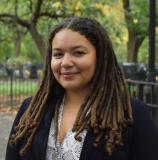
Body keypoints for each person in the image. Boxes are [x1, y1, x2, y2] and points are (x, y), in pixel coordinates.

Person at [5, 16, 158, 160]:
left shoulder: (131, 114)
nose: (65, 62)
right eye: (58, 54)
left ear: (100, 57)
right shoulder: (30, 110)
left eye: (78, 53)